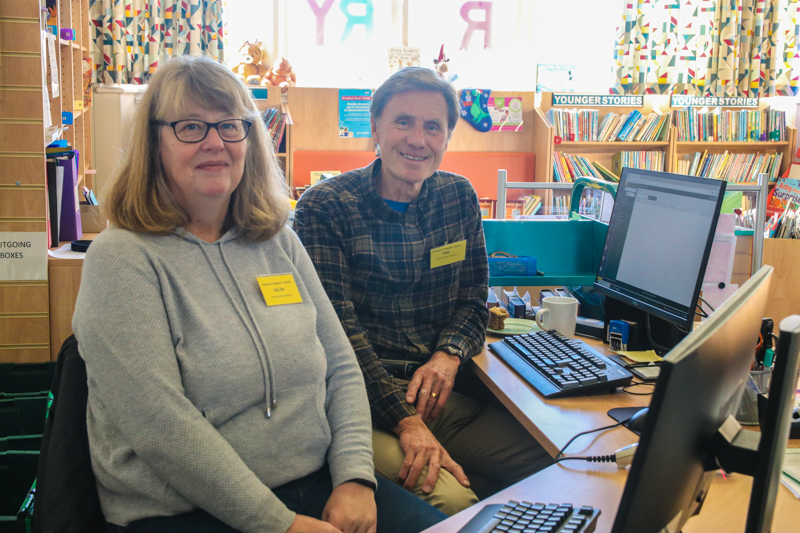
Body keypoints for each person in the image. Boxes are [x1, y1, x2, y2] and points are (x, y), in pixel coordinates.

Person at [72, 56, 445, 533]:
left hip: (314, 482)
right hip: (184, 510)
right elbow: (162, 428)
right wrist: (280, 525)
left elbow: (341, 365)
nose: (215, 143)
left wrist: (354, 477)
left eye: (231, 126)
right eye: (190, 127)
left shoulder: (277, 240)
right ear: (154, 142)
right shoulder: (121, 258)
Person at [293, 66, 552, 516]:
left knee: (563, 463)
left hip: (441, 396)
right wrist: (408, 421)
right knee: (454, 503)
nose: (417, 139)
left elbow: (474, 301)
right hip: (361, 406)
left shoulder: (458, 196)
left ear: (448, 136)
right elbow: (338, 338)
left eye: (433, 126)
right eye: (403, 121)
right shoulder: (327, 206)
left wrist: (448, 356)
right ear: (375, 127)